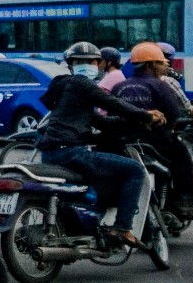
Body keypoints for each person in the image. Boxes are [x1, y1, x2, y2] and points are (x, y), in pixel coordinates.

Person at [37, 41, 166, 248]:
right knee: (134, 171)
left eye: (91, 61)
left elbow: (103, 121)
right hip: (71, 152)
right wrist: (145, 115)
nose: (86, 65)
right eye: (80, 61)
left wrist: (135, 121)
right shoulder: (82, 84)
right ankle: (123, 228)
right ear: (71, 64)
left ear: (99, 63)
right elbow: (112, 104)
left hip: (51, 153)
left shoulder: (66, 89)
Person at [113, 42, 193, 244]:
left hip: (127, 143)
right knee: (191, 175)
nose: (167, 68)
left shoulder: (120, 86)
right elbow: (174, 114)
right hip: (157, 142)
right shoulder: (160, 85)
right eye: (163, 64)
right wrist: (168, 127)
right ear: (150, 65)